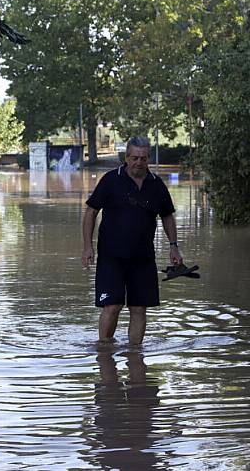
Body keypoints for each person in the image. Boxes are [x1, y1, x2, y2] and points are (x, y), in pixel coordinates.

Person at [81, 135, 183, 345]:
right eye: (134, 158)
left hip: (143, 258)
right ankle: (105, 351)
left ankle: (135, 355)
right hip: (111, 256)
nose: (138, 162)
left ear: (148, 159)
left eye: (143, 158)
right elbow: (91, 211)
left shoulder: (156, 185)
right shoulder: (111, 180)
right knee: (112, 306)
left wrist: (174, 247)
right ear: (126, 157)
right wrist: (87, 247)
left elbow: (167, 216)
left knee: (139, 308)